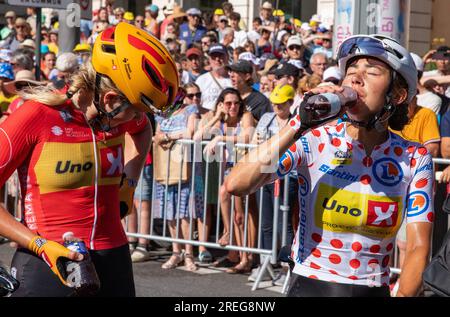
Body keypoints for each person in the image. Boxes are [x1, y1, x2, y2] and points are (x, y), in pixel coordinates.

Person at [224, 34, 433, 297]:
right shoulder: (316, 140)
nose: (356, 78)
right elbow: (237, 183)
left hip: (372, 288)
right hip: (311, 284)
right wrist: (297, 124)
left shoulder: (413, 157)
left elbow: (417, 247)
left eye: (372, 72)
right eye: (351, 71)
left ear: (398, 94)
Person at [0, 22, 180, 297]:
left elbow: (143, 130)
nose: (137, 117)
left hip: (113, 257)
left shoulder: (119, 118)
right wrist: (38, 244)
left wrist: (129, 183)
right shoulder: (36, 116)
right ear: (109, 99)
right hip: (47, 261)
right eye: (135, 110)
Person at [195, 88, 254, 273]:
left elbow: (247, 136)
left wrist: (221, 137)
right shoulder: (219, 118)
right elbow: (197, 137)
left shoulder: (246, 116)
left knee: (241, 214)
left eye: (236, 102)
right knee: (235, 214)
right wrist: (216, 117)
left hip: (246, 168)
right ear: (221, 104)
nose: (233, 106)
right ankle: (234, 251)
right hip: (230, 169)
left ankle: (245, 257)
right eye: (228, 103)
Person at [248, 84, 299, 284]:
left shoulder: (295, 121)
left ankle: (286, 267)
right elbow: (255, 142)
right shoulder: (267, 118)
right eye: (274, 104)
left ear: (289, 103)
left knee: (283, 222)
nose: (277, 107)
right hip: (265, 175)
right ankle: (266, 262)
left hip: (288, 177)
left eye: (281, 104)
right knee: (266, 220)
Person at [152, 88, 204, 272]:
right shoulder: (161, 113)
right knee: (170, 211)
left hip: (186, 168)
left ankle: (188, 253)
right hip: (166, 167)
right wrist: (168, 137)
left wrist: (167, 137)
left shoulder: (190, 111)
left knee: (185, 213)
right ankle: (176, 252)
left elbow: (189, 133)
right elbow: (155, 136)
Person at [195, 44, 232, 111]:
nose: (217, 59)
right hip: (208, 118)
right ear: (209, 59)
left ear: (227, 57)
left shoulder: (234, 78)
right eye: (213, 56)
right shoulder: (201, 80)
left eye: (221, 56)